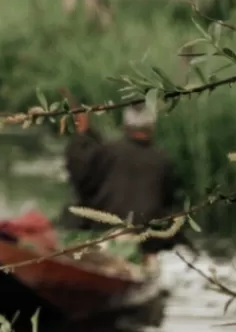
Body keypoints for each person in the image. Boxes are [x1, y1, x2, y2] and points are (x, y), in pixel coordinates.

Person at [65, 98, 178, 251]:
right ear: (152, 126)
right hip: (147, 240)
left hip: (105, 231)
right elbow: (168, 201)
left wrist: (82, 135)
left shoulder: (108, 151)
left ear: (125, 125)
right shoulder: (162, 160)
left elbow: (82, 178)